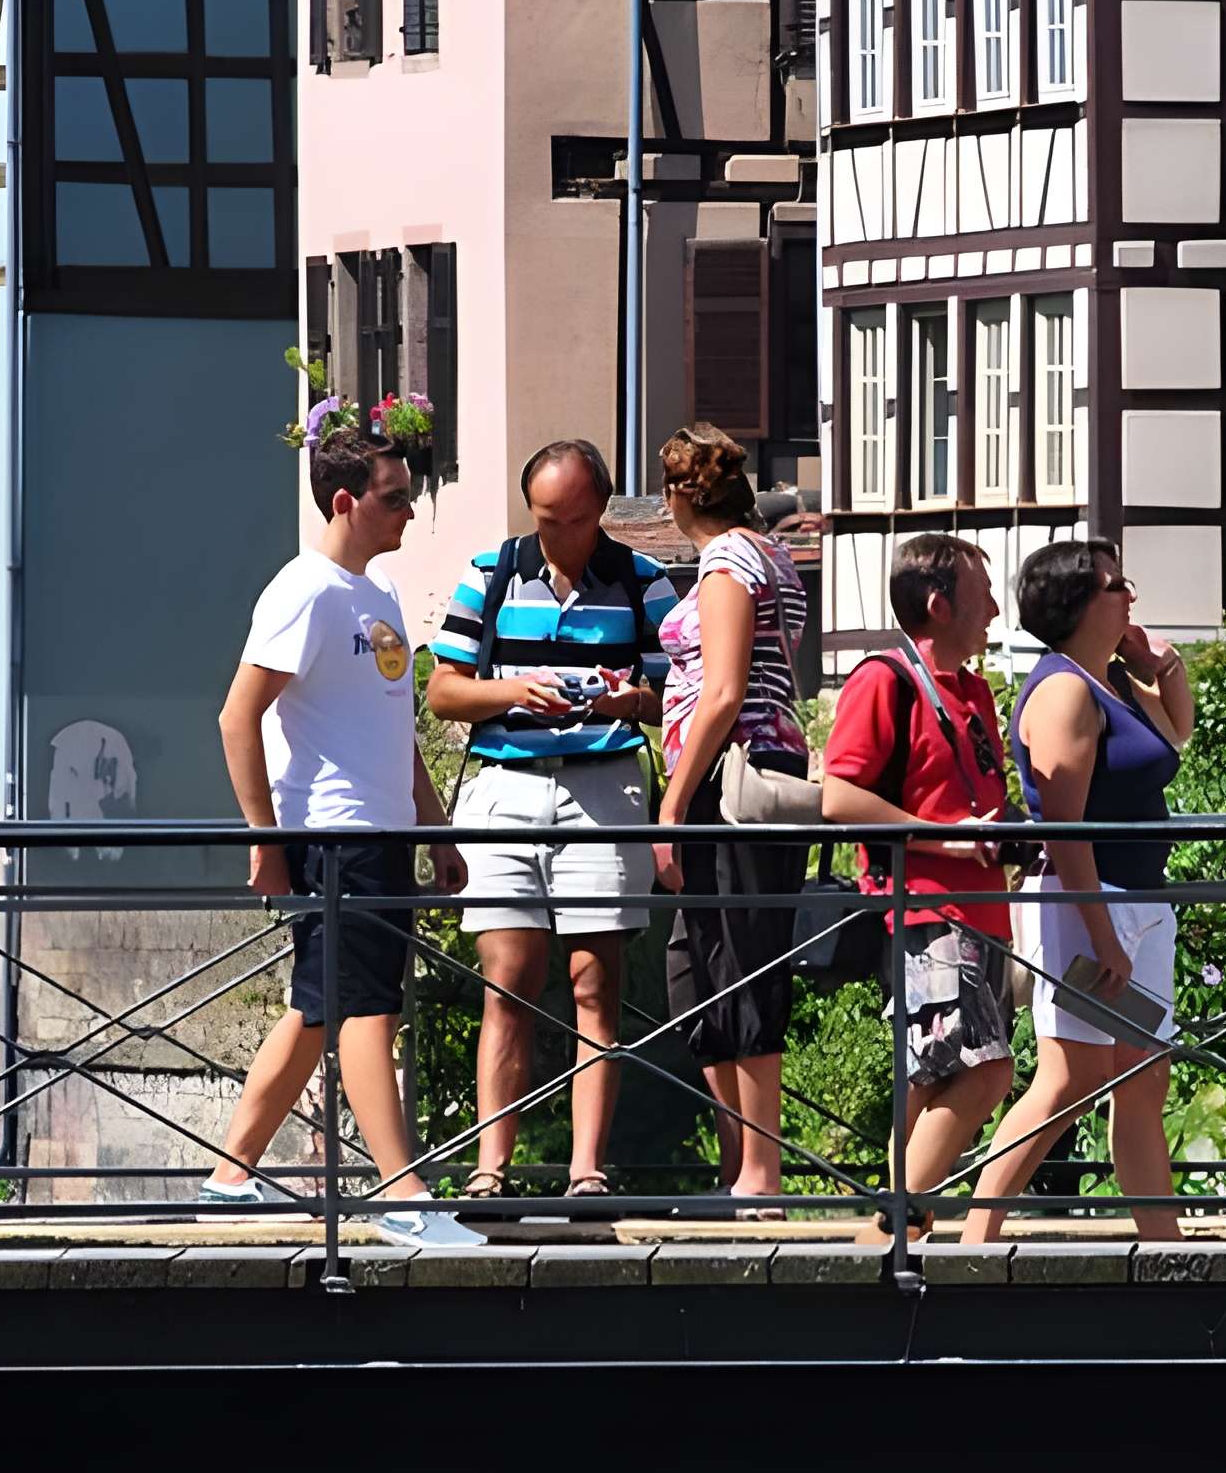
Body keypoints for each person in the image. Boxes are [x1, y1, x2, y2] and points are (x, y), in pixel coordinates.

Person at [199, 425, 479, 1249]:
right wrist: (267, 840)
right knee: (366, 1011)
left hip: (378, 829)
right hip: (335, 834)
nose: (411, 511)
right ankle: (404, 1195)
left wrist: (437, 830)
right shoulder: (305, 591)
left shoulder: (377, 594)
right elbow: (235, 716)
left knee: (320, 1009)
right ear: (346, 501)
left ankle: (229, 1175)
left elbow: (391, 727)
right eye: (396, 498)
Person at [428, 439, 676, 1205]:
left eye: (570, 520)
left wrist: (628, 701)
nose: (556, 534)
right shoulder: (492, 571)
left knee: (595, 985)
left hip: (604, 785)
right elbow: (443, 691)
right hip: (506, 785)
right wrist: (513, 692)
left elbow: (678, 699)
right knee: (508, 981)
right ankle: (489, 1168)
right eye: (543, 518)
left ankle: (587, 1172)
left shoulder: (644, 582)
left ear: (599, 510)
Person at [966, 540, 1195, 1243]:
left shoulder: (1112, 679)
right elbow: (1064, 830)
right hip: (1086, 906)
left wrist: (1164, 663)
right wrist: (1102, 937)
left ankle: (1163, 1244)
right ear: (1077, 604)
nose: (1131, 596)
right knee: (1069, 1079)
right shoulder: (1064, 688)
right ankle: (976, 1237)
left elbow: (1176, 733)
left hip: (1138, 903)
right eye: (1117, 586)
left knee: (1142, 1080)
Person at [820, 533, 1017, 1237]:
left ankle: (895, 1234)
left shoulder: (973, 691)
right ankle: (891, 1225)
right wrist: (945, 837)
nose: (995, 610)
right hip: (929, 910)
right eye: (982, 595)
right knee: (986, 1071)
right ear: (939, 605)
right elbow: (839, 797)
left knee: (933, 1078)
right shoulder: (885, 678)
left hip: (982, 909)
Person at [649, 424, 812, 1212]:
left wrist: (673, 804)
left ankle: (760, 1175)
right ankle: (742, 1163)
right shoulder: (773, 552)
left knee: (742, 963)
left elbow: (723, 692)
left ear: (683, 495)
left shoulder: (726, 562)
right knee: (701, 966)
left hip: (731, 780)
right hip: (755, 767)